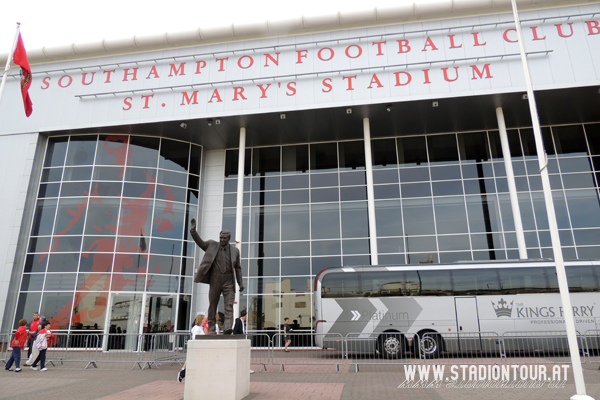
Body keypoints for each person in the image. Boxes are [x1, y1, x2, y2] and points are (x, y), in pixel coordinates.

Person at [190, 219, 244, 335]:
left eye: (224, 238)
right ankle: (212, 329)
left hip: (229, 280)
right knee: (212, 305)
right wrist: (193, 232)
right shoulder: (212, 245)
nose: (222, 240)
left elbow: (238, 268)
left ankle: (228, 327)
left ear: (228, 239)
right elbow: (200, 243)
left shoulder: (235, 251)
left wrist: (240, 283)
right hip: (215, 279)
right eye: (221, 238)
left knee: (229, 305)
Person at [177, 314, 208, 383]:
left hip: (199, 347)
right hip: (197, 347)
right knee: (193, 361)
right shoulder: (197, 328)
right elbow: (195, 338)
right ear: (201, 319)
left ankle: (183, 372)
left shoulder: (199, 328)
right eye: (204, 319)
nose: (205, 320)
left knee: (192, 361)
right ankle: (182, 373)